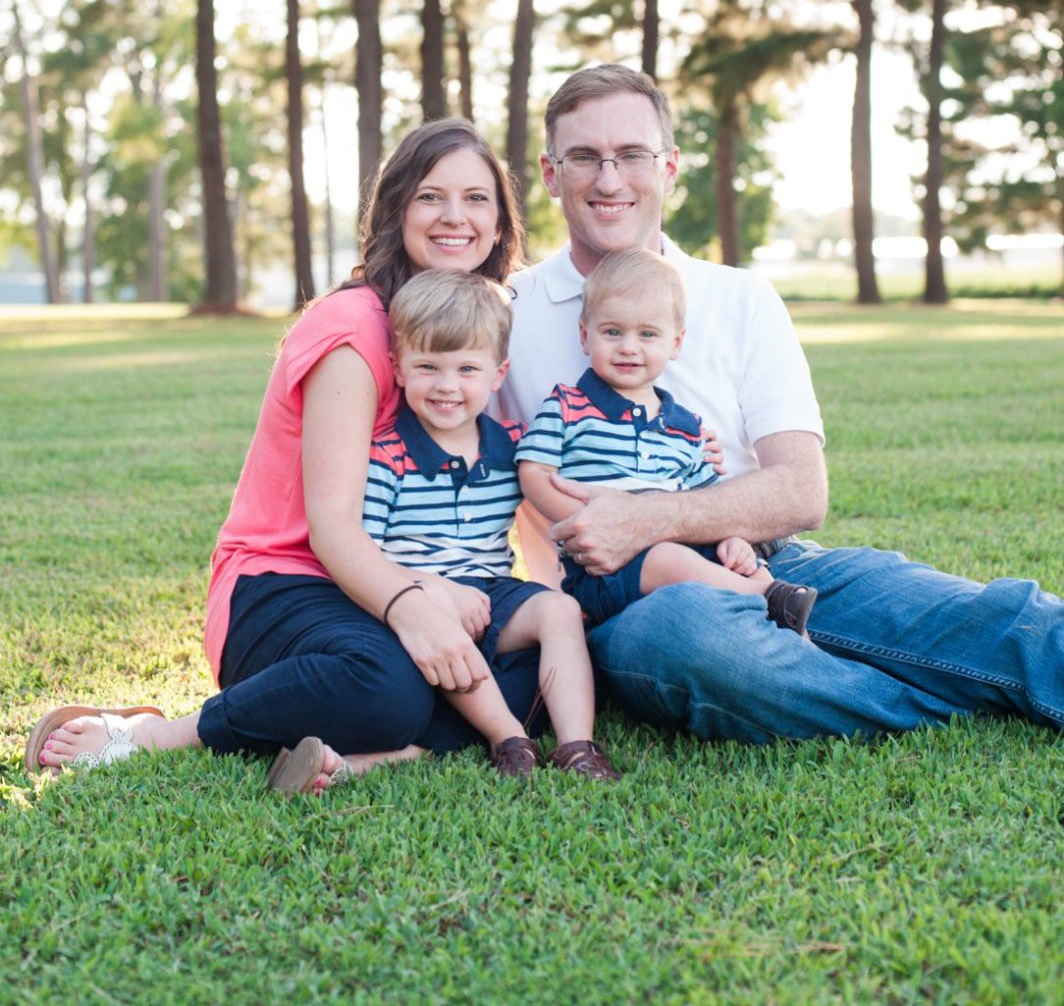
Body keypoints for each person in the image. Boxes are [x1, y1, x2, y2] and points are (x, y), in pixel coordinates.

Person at [497, 64, 1064, 743]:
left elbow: (800, 488)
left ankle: (959, 671)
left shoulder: (741, 297)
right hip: (625, 604)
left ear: (670, 166)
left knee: (993, 615)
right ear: (551, 172)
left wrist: (648, 518)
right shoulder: (508, 314)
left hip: (767, 563)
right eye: (584, 157)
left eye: (633, 156)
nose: (610, 179)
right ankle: (942, 702)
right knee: (695, 637)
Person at [26, 119, 546, 794]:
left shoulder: (478, 332)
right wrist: (418, 605)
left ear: (502, 219)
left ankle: (384, 757)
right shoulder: (355, 328)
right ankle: (153, 735)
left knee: (541, 651)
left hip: (392, 582)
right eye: (431, 196)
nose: (456, 217)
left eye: (477, 198)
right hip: (286, 585)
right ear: (396, 210)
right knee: (392, 686)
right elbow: (330, 528)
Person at [361, 267, 619, 780]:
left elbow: (589, 465)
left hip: (494, 592)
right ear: (399, 367)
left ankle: (577, 749)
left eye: (466, 370)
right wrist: (433, 589)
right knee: (440, 616)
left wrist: (689, 451)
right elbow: (363, 553)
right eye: (429, 366)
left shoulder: (515, 447)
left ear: (498, 374)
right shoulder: (386, 454)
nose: (447, 386)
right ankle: (510, 740)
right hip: (413, 596)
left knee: (560, 611)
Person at [516, 247, 817, 636]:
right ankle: (768, 598)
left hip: (690, 554)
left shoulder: (686, 426)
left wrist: (734, 541)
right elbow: (534, 472)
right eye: (612, 331)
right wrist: (584, 521)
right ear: (584, 335)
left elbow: (706, 498)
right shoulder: (567, 407)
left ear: (675, 343)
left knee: (733, 561)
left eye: (647, 334)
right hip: (605, 571)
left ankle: (779, 620)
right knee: (667, 559)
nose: (628, 346)